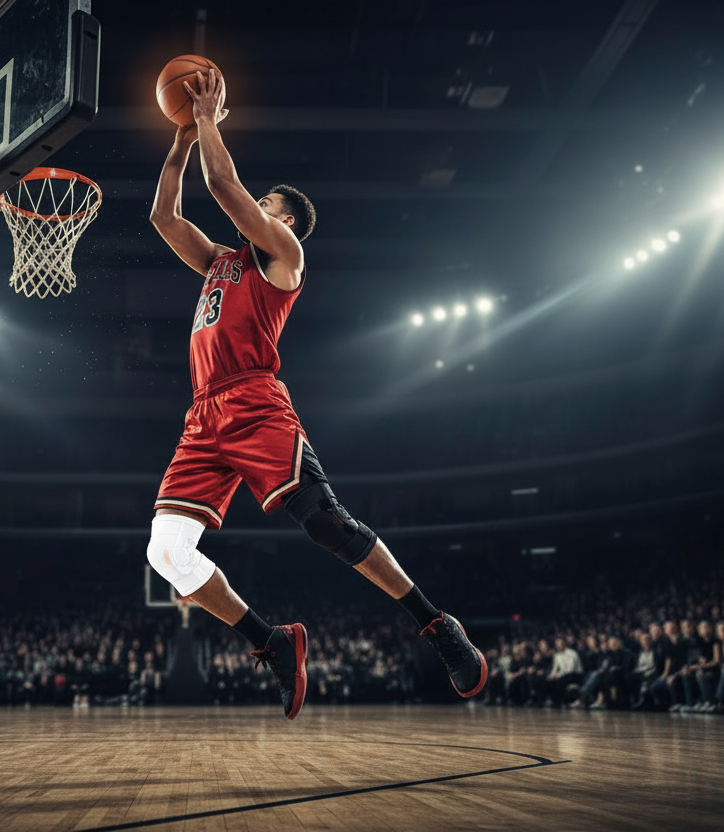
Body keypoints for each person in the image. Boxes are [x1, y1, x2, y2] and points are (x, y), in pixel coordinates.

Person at [144, 68, 484, 721]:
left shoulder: (283, 255)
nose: (258, 206)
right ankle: (272, 644)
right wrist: (183, 136)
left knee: (325, 522)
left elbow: (223, 186)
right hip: (203, 415)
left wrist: (210, 118)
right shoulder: (221, 258)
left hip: (252, 400)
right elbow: (164, 214)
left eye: (267, 202)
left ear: (286, 218)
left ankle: (437, 624)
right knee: (164, 549)